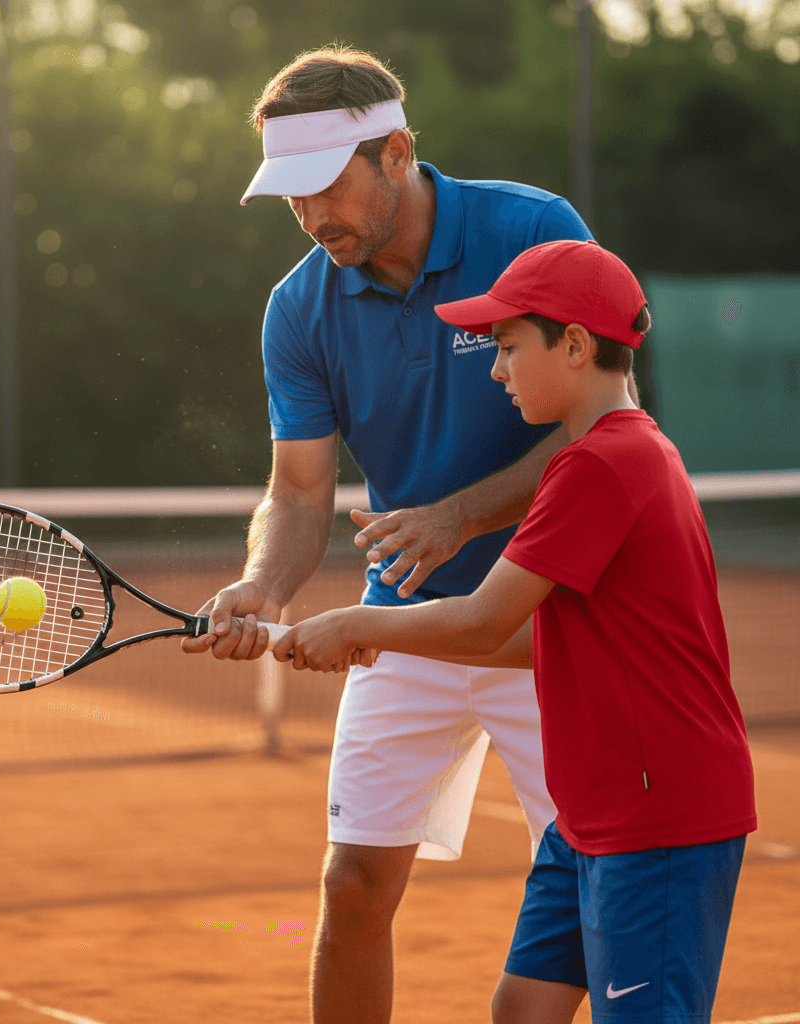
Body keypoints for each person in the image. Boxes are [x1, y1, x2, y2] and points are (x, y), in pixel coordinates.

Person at [183, 45, 602, 1024]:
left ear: (397, 153)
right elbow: (299, 492)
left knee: (596, 886)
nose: (309, 213)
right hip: (409, 624)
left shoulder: (532, 232)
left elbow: (603, 424)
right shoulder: (299, 308)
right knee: (353, 885)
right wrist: (262, 586)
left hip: (556, 624)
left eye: (326, 185)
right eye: (290, 195)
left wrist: (461, 513)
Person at [273, 238, 757, 1024]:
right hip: (592, 809)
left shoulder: (599, 466)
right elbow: (543, 638)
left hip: (656, 814)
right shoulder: (622, 452)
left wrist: (355, 621)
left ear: (575, 345)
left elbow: (484, 620)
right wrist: (383, 639)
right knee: (523, 1008)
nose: (495, 370)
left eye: (506, 347)